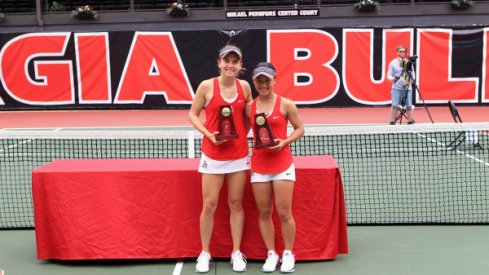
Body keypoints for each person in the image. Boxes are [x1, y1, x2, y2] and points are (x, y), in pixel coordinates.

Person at [188, 44, 252, 273]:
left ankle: (236, 252)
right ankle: (204, 252)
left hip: (238, 155)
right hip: (212, 154)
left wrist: (240, 137)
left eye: (235, 62)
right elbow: (192, 114)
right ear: (219, 63)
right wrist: (209, 135)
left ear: (240, 65)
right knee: (209, 205)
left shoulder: (244, 87)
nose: (230, 65)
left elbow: (249, 117)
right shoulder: (206, 86)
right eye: (227, 61)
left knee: (236, 203)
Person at [245, 62, 305, 273]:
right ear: (254, 82)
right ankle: (271, 253)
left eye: (267, 80)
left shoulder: (286, 104)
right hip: (259, 166)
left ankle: (288, 253)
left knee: (284, 213)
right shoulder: (249, 107)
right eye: (259, 81)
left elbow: (300, 129)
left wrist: (284, 142)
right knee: (263, 212)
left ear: (274, 80)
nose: (263, 84)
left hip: (283, 165)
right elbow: (241, 130)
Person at [387, 45, 415, 125]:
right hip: (397, 87)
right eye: (400, 51)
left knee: (409, 105)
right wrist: (392, 78)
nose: (402, 53)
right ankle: (392, 120)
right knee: (395, 105)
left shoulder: (408, 63)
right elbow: (388, 75)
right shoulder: (393, 63)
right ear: (397, 52)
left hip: (407, 87)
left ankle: (410, 120)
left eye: (404, 51)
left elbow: (413, 74)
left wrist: (411, 81)